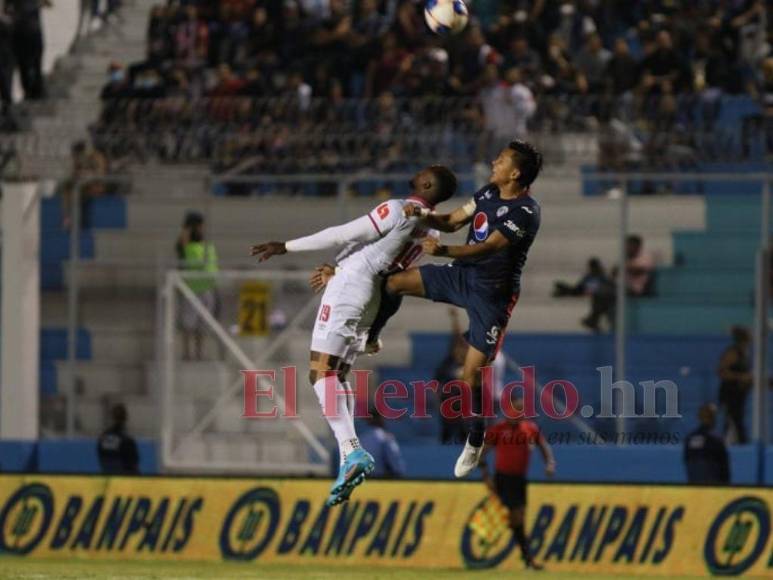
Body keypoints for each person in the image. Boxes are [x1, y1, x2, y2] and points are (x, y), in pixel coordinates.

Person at [252, 165, 457, 506]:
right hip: (369, 294)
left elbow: (342, 233)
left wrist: (286, 246)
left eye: (423, 171)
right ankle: (350, 452)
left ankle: (351, 450)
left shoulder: (397, 208)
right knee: (338, 373)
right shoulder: (432, 234)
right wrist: (374, 326)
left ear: (426, 182)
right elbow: (392, 281)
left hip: (350, 287)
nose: (418, 171)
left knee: (320, 372)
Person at [385, 140, 542, 478]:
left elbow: (486, 248)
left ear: (515, 173)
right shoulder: (487, 193)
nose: (493, 162)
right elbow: (454, 220)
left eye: (500, 160)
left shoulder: (526, 213)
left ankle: (475, 438)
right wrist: (424, 215)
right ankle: (369, 335)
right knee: (393, 283)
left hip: (492, 297)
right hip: (461, 278)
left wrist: (443, 252)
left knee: (469, 376)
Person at [480, 396, 555, 571]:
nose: (519, 413)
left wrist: (550, 463)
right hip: (502, 478)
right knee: (514, 516)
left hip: (519, 480)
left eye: (522, 409)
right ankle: (528, 558)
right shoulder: (498, 429)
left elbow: (543, 447)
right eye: (516, 409)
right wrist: (486, 476)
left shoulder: (530, 429)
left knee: (515, 518)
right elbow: (482, 454)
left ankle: (524, 557)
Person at [176, 211, 219, 361]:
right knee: (188, 323)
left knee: (203, 324)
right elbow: (183, 241)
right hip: (191, 289)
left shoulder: (206, 245)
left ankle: (200, 353)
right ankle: (187, 353)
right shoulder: (186, 245)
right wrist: (188, 226)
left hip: (207, 288)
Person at [718, 326, 752, 444]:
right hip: (730, 393)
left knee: (737, 419)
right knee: (732, 419)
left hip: (740, 393)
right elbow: (721, 371)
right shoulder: (733, 352)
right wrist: (740, 377)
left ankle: (739, 442)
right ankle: (736, 443)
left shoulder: (745, 353)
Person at [684, 403, 730, 484]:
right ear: (713, 419)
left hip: (693, 487)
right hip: (712, 488)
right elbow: (724, 471)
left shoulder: (689, 439)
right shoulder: (715, 440)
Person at [357, 410, 406, 478]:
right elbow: (395, 462)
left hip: (365, 480)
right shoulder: (385, 437)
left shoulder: (360, 438)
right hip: (383, 479)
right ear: (379, 419)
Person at [97, 403, 139, 474]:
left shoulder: (103, 437)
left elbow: (101, 457)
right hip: (123, 478)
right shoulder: (126, 440)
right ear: (125, 418)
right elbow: (133, 463)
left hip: (107, 477)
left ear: (112, 417)